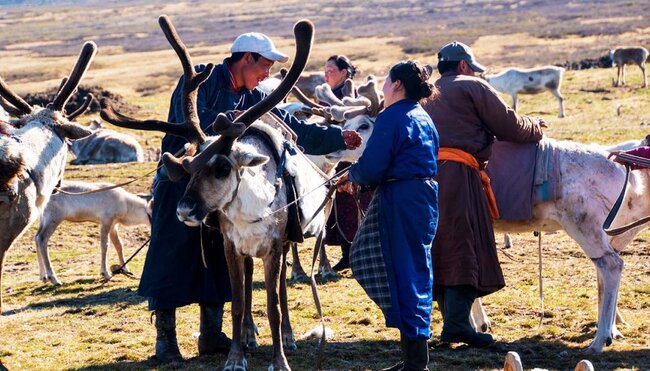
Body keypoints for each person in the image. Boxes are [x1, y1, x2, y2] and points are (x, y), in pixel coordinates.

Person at [140, 32, 363, 363]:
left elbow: (292, 129)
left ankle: (212, 335)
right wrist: (225, 124)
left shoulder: (253, 94)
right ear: (247, 59)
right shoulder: (200, 80)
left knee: (218, 259)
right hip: (182, 182)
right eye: (266, 66)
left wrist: (336, 136)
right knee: (170, 258)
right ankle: (166, 342)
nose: (267, 75)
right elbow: (189, 126)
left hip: (225, 190)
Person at [422, 41, 545, 347]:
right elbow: (510, 126)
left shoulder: (423, 94)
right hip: (459, 176)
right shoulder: (472, 86)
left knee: (439, 246)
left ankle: (453, 322)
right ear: (463, 66)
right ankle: (457, 325)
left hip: (424, 178)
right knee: (465, 244)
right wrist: (536, 126)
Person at [338, 60, 439, 370]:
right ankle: (412, 359)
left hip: (401, 198)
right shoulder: (422, 116)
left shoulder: (392, 117)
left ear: (397, 85)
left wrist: (351, 176)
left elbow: (374, 165)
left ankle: (415, 363)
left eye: (385, 80)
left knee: (403, 271)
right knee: (413, 270)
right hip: (422, 197)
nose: (382, 86)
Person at [321, 55, 372, 272]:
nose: (326, 74)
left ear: (344, 73)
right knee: (340, 209)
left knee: (352, 206)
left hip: (352, 155)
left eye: (331, 70)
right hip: (335, 157)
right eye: (325, 70)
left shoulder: (353, 97)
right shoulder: (329, 97)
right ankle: (346, 254)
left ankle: (356, 254)